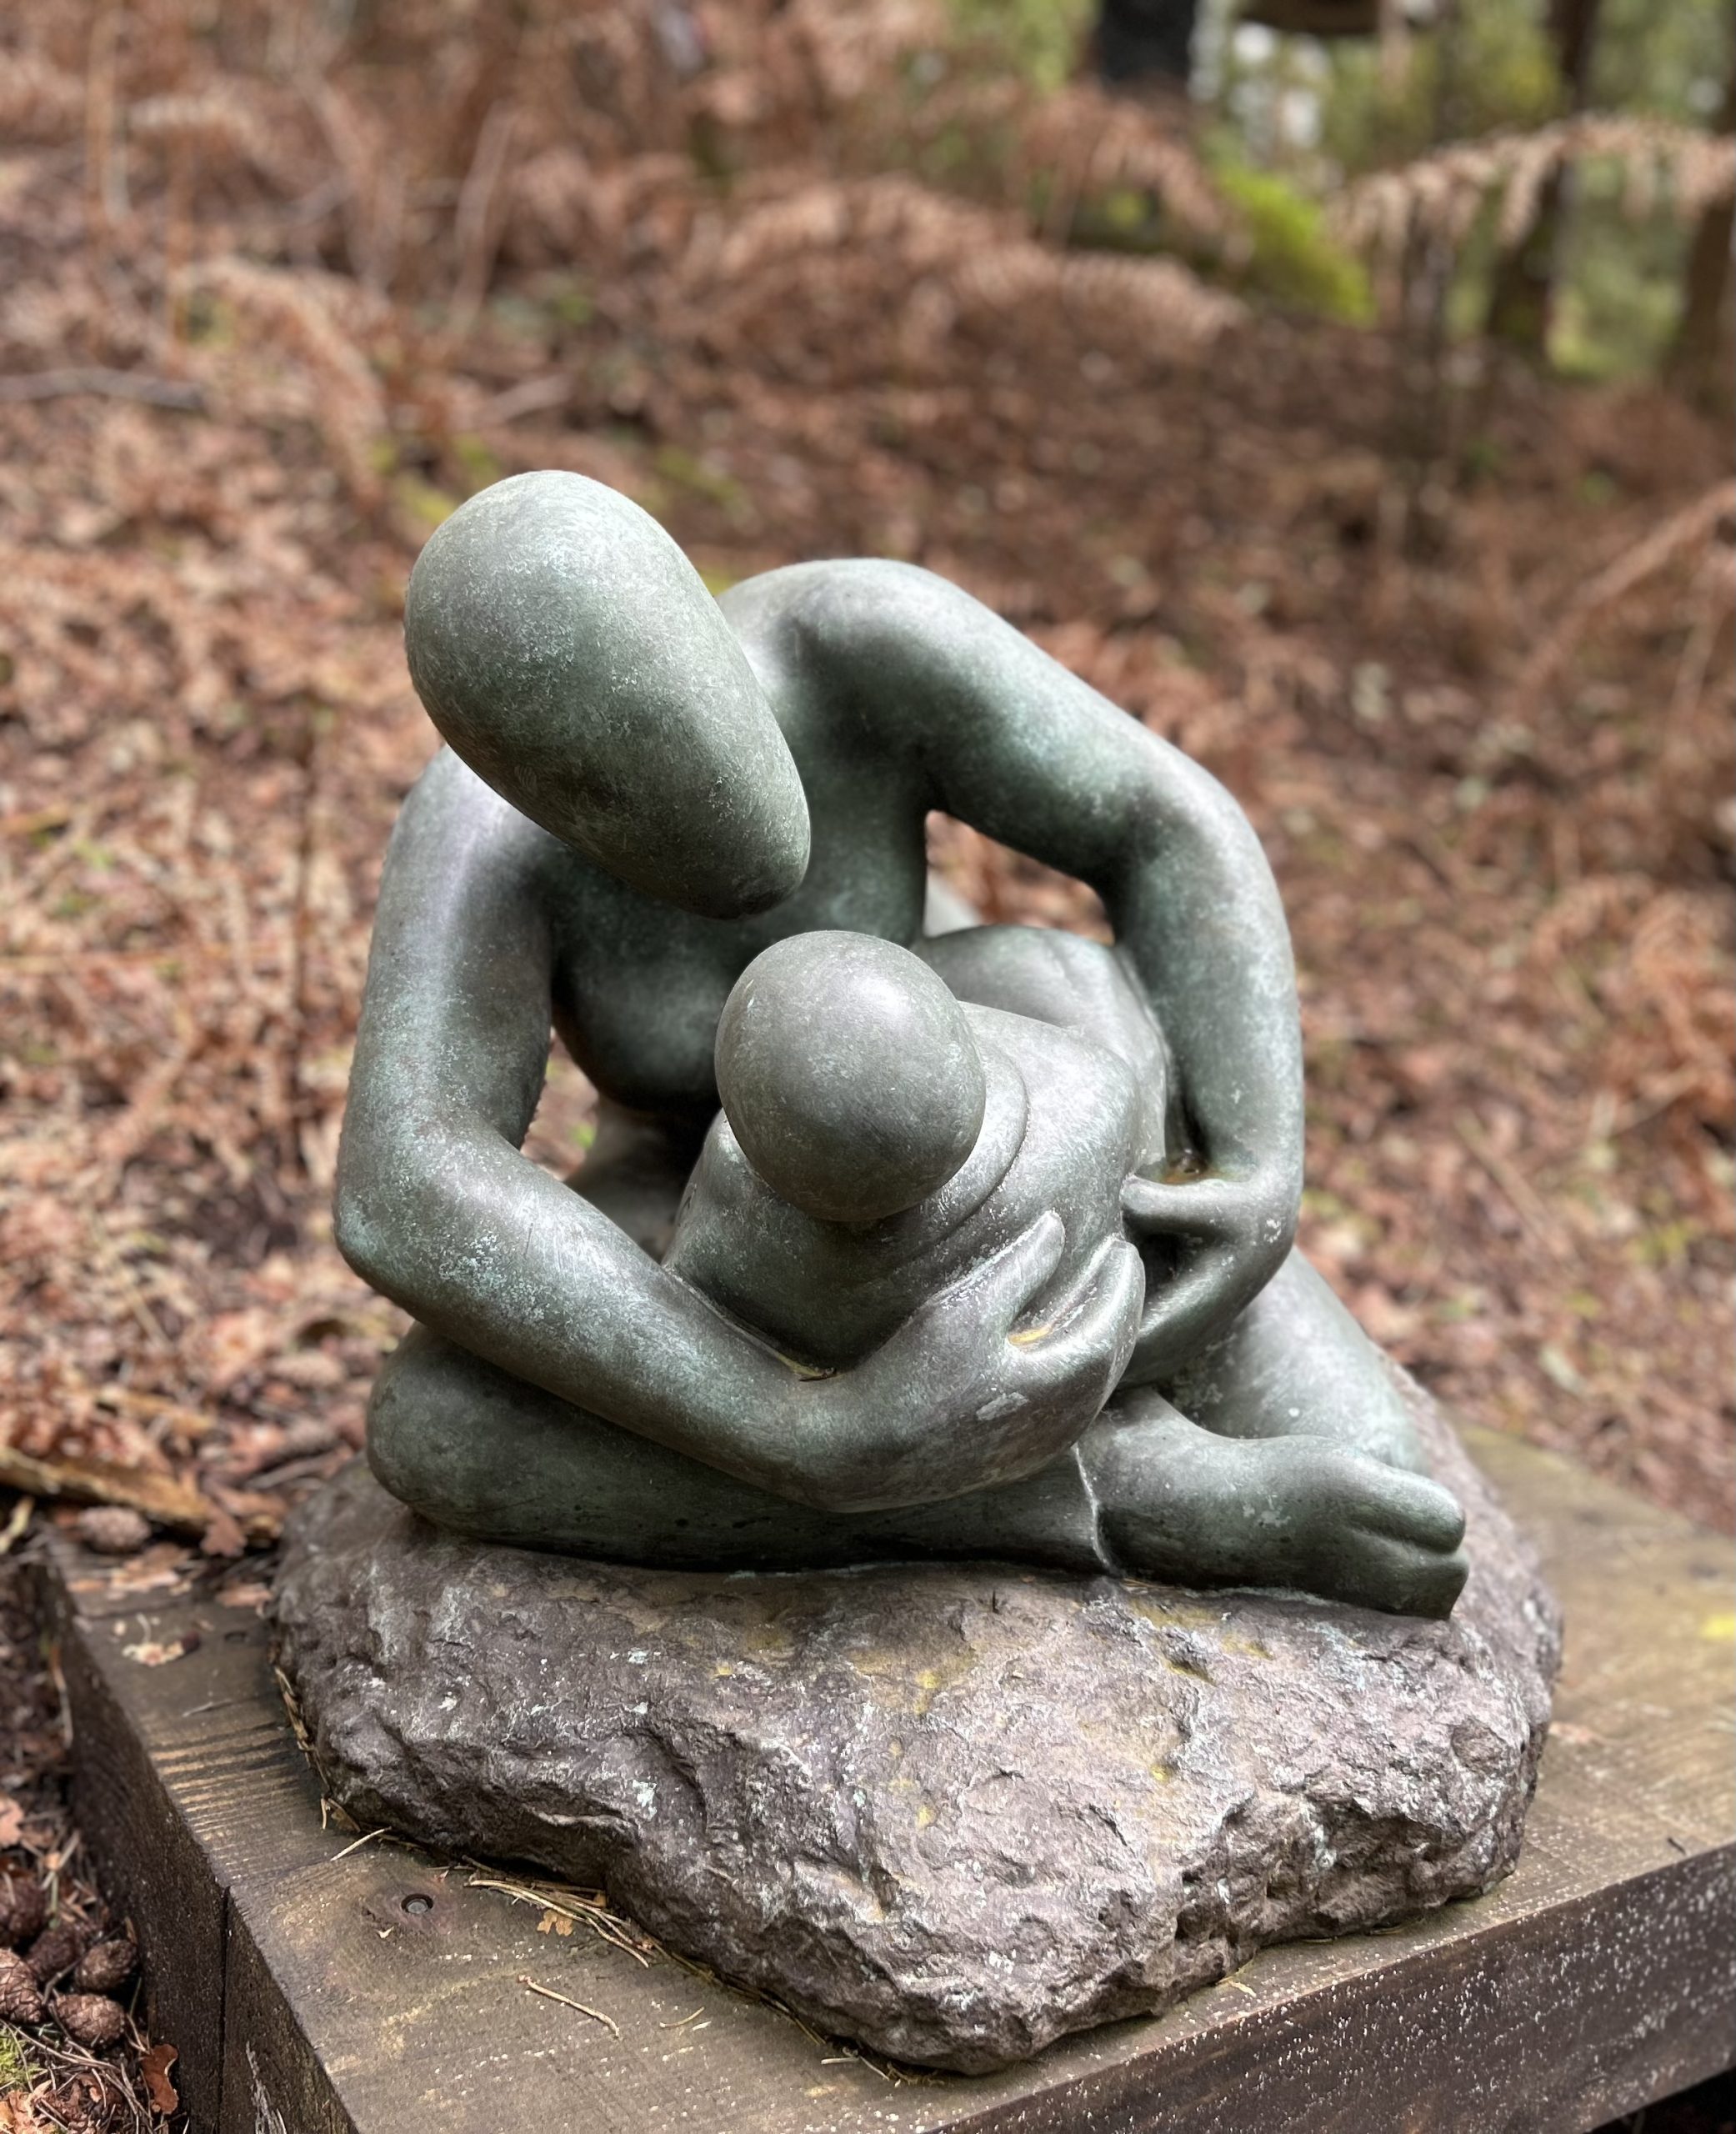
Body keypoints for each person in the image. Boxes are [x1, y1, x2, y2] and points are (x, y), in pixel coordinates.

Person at [338, 471, 1468, 1616]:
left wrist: (1253, 1162)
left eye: (681, 726)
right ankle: (1097, 1494)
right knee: (435, 1427)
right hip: (702, 1201)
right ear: (524, 781)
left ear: (709, 630)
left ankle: (1046, 1387)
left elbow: (1165, 823)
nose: (676, 815)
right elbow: (408, 1181)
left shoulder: (862, 639)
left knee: (1391, 1487)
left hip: (987, 1129)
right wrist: (802, 1429)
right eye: (595, 790)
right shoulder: (479, 834)